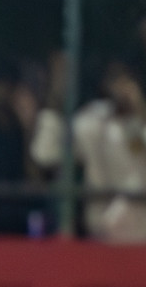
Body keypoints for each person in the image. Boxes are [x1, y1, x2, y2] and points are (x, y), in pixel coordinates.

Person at [31, 61, 146, 242]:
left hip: (139, 232)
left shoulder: (133, 128)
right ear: (106, 85)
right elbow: (45, 154)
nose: (122, 90)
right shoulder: (90, 122)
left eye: (127, 83)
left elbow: (140, 158)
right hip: (102, 230)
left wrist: (137, 113)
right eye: (116, 82)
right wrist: (54, 101)